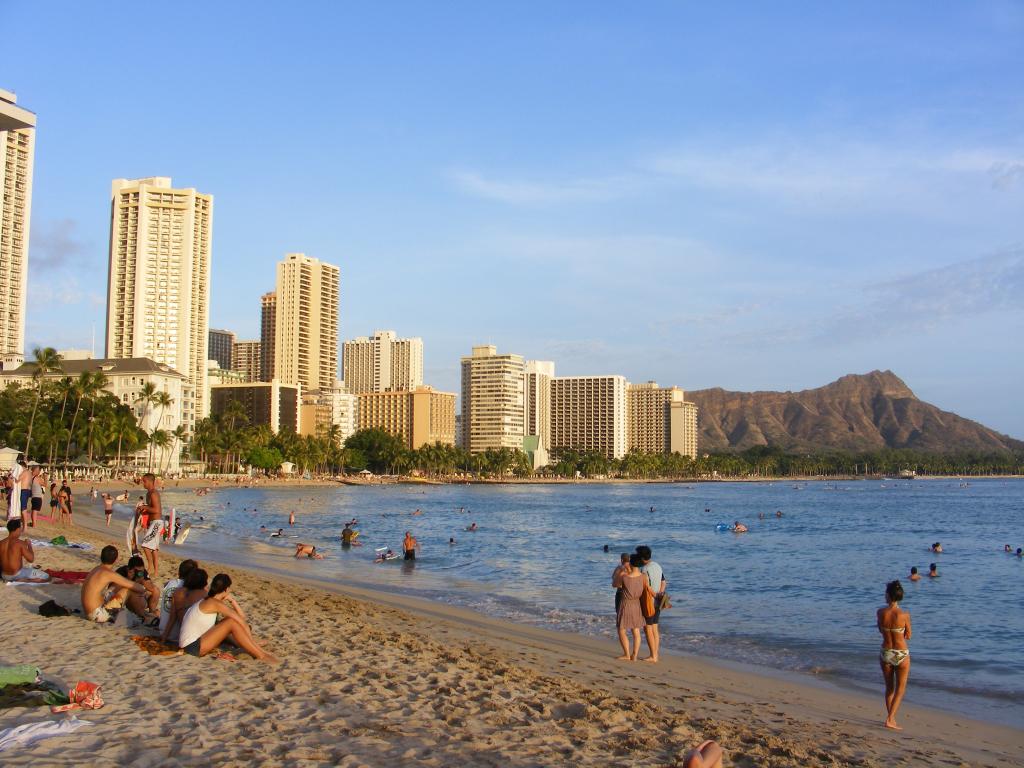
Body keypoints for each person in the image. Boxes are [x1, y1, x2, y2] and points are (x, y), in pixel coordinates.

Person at [177, 573, 278, 663]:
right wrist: (254, 644)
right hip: (192, 648)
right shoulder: (215, 603)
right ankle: (261, 655)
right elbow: (241, 621)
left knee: (228, 621)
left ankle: (255, 648)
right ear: (226, 589)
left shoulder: (208, 600)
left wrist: (232, 601)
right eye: (229, 588)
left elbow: (240, 618)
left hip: (190, 645)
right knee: (231, 623)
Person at [81, 545, 148, 623]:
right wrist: (140, 584)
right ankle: (142, 615)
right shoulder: (108, 573)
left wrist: (129, 579)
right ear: (116, 560)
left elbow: (121, 584)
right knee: (128, 589)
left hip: (89, 612)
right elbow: (138, 588)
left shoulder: (96, 569)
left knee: (119, 585)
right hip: (97, 614)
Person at [877, 580, 912, 730]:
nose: (884, 596)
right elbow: (908, 635)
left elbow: (880, 630)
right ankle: (890, 718)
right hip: (901, 652)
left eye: (885, 593)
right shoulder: (904, 614)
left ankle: (891, 717)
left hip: (886, 652)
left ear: (889, 596)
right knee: (901, 688)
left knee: (889, 687)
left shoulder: (880, 612)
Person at [612, 553, 647, 660]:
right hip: (637, 603)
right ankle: (635, 655)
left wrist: (622, 571)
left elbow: (615, 584)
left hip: (626, 603)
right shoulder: (643, 576)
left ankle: (627, 654)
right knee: (636, 630)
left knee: (621, 629)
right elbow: (646, 588)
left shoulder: (624, 576)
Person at [161, 566, 207, 644]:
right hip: (197, 639)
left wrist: (164, 638)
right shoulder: (204, 594)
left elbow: (172, 618)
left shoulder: (177, 592)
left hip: (183, 638)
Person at [636, 545, 666, 663]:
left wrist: (654, 594)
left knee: (648, 628)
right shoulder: (657, 566)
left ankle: (653, 656)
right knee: (655, 628)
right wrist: (660, 593)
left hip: (649, 601)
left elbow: (646, 587)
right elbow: (664, 582)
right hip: (658, 601)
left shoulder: (644, 570)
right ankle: (655, 654)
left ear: (642, 557)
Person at [114, 555, 160, 622]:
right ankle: (143, 616)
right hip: (127, 600)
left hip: (141, 599)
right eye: (137, 571)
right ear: (129, 569)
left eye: (141, 571)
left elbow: (151, 587)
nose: (139, 573)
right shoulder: (121, 572)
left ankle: (151, 611)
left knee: (156, 590)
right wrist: (129, 579)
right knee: (132, 591)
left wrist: (142, 581)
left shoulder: (142, 572)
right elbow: (114, 590)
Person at [159, 559, 197, 635]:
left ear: (179, 571)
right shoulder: (189, 589)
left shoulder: (169, 583)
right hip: (177, 634)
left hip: (162, 630)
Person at [137, 473, 163, 578]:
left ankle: (151, 566)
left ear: (150, 481)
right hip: (152, 522)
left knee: (145, 545)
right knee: (154, 549)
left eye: (144, 481)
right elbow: (151, 509)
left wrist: (145, 507)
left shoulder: (153, 494)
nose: (143, 483)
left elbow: (157, 510)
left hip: (157, 523)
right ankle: (155, 572)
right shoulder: (148, 494)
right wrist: (145, 512)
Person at [28, 463, 44, 527]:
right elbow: (45, 484)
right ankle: (34, 524)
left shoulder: (30, 477)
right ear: (36, 470)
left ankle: (33, 523)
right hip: (37, 496)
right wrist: (46, 477)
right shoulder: (37, 478)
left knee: (33, 510)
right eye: (38, 470)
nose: (39, 471)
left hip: (33, 496)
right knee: (35, 511)